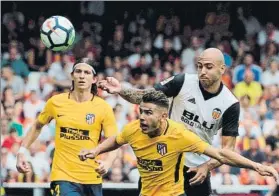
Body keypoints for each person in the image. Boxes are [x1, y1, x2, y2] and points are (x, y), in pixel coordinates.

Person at [78, 90, 279, 196]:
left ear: (164, 116)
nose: (142, 117)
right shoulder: (133, 129)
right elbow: (117, 140)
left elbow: (221, 154)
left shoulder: (180, 135)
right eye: (141, 111)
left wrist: (257, 166)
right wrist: (96, 151)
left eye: (149, 113)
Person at [98, 48, 240, 196]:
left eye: (208, 67)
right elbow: (146, 97)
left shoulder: (230, 104)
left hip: (196, 171)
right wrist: (121, 89)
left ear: (222, 68)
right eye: (199, 66)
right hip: (164, 165)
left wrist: (207, 166)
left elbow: (228, 150)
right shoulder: (182, 82)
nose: (202, 71)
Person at [16, 58, 118, 196]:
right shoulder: (56, 102)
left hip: (91, 177)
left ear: (94, 79)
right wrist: (22, 152)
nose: (82, 76)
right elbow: (37, 126)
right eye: (78, 71)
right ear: (72, 76)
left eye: (87, 72)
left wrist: (108, 163)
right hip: (62, 177)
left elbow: (114, 140)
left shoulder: (103, 107)